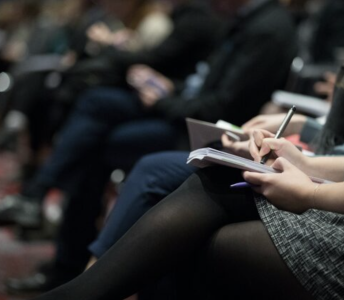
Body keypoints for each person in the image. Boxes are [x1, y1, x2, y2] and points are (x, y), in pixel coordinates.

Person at [28, 0, 344, 299]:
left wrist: (311, 191)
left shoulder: (264, 26)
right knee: (200, 172)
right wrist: (302, 159)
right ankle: (76, 276)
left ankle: (76, 274)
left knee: (186, 224)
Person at [0, 0, 298, 294]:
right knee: (95, 109)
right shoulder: (244, 18)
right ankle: (72, 267)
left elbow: (220, 106)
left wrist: (164, 100)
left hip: (212, 134)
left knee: (108, 145)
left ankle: (78, 273)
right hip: (192, 115)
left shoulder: (263, 27)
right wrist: (169, 88)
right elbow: (204, 86)